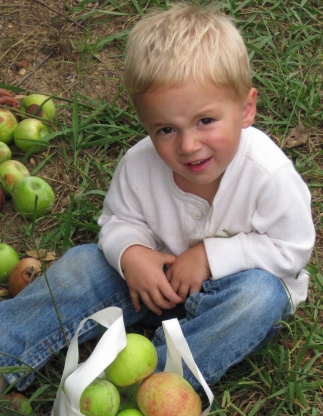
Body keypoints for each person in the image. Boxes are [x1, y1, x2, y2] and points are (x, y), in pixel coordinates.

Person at [0, 2, 315, 393]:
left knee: (260, 299)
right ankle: (6, 349)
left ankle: (156, 386)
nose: (188, 144)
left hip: (230, 295)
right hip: (151, 283)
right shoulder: (138, 165)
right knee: (83, 264)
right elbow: (117, 221)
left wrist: (208, 257)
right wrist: (131, 254)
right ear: (145, 122)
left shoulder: (268, 175)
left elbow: (293, 247)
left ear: (246, 108)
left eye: (206, 121)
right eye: (166, 129)